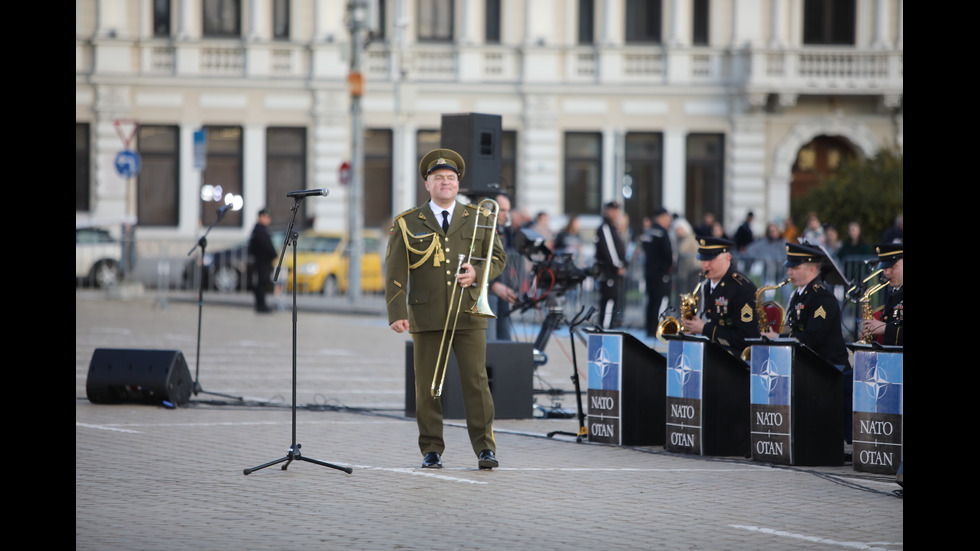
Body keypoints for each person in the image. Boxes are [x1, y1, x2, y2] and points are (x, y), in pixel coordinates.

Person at [385, 148, 507, 470]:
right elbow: (396, 272)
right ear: (427, 184)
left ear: (458, 185)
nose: (445, 182)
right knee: (428, 387)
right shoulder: (408, 222)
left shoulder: (479, 217)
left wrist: (478, 273)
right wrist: (397, 312)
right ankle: (431, 450)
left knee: (476, 383)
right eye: (438, 178)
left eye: (450, 178)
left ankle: (485, 448)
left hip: (469, 313)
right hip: (427, 315)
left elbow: (497, 258)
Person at [763, 242, 848, 367]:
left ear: (812, 269)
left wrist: (778, 337)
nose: (789, 273)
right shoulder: (799, 294)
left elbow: (812, 339)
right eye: (789, 268)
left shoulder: (822, 297)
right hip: (808, 364)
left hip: (828, 367)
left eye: (795, 268)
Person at [681, 237, 760, 354]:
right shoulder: (707, 285)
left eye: (711, 260)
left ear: (728, 258)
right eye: (703, 260)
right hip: (716, 351)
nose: (706, 265)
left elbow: (747, 338)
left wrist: (704, 329)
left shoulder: (742, 287)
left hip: (735, 356)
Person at [485, 191, 519, 341]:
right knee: (490, 341)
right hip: (489, 293)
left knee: (504, 340)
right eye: (502, 210)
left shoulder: (502, 232)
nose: (505, 215)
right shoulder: (482, 230)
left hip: (501, 293)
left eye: (507, 210)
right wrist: (494, 285)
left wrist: (508, 285)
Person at [594, 201, 629, 329]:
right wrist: (618, 266)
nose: (615, 213)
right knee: (609, 301)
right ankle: (605, 330)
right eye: (612, 210)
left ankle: (609, 328)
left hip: (613, 274)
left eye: (617, 210)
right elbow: (609, 250)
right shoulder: (605, 228)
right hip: (609, 272)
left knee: (613, 301)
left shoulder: (614, 228)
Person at [640, 208, 674, 337]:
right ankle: (658, 329)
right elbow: (667, 253)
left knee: (652, 301)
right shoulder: (662, 232)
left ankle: (649, 328)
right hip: (661, 273)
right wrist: (669, 266)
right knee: (661, 301)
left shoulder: (649, 231)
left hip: (650, 272)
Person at [862, 243, 903, 346]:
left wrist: (885, 328)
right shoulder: (894, 292)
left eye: (892, 266)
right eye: (885, 268)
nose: (886, 273)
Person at [248, 208, 277, 313]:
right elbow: (266, 246)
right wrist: (274, 254)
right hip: (261, 261)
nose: (268, 219)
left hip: (264, 261)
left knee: (263, 283)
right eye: (266, 217)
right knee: (261, 283)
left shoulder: (262, 229)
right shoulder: (259, 230)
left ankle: (261, 304)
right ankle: (261, 305)